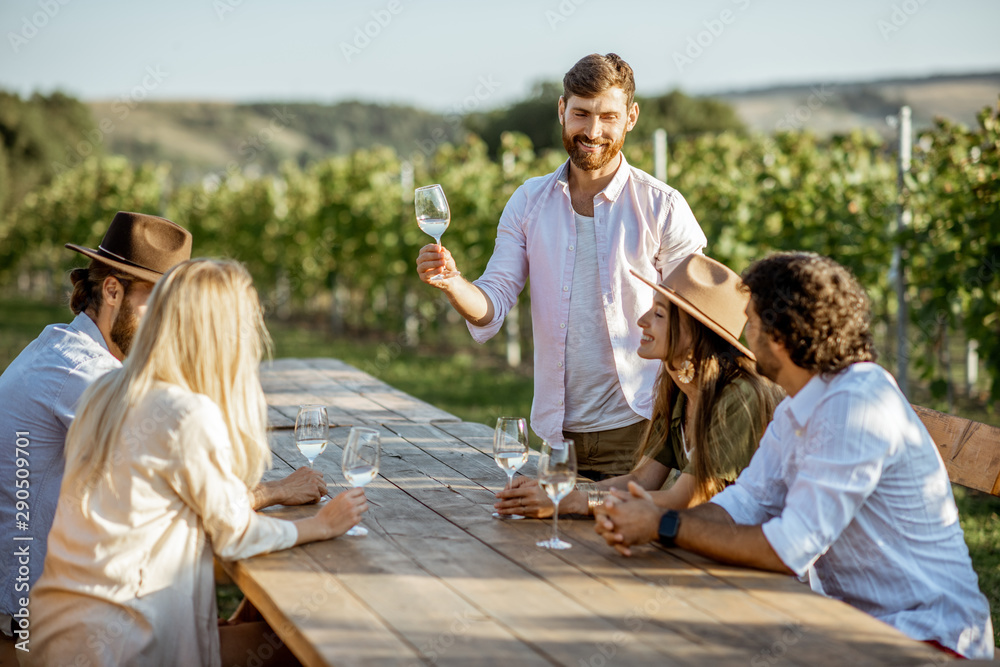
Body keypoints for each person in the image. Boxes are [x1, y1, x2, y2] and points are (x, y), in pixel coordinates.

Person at [596, 252, 994, 659]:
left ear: (781, 335)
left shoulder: (856, 407)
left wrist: (664, 524)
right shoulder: (796, 408)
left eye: (751, 322)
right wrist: (652, 520)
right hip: (853, 626)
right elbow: (744, 503)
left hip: (926, 637)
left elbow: (789, 549)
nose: (743, 334)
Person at [23, 259, 368, 667]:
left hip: (56, 629)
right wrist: (321, 525)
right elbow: (234, 536)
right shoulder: (185, 412)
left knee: (266, 627)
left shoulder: (107, 389)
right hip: (124, 644)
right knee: (303, 647)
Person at [0, 212, 325, 640]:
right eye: (157, 304)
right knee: (287, 642)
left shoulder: (63, 345)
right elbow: (205, 511)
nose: (168, 324)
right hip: (36, 624)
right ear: (112, 289)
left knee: (265, 625)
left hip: (50, 601)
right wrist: (277, 491)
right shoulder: (89, 376)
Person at [416, 53, 707, 479]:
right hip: (557, 440)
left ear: (631, 117)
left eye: (608, 116)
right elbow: (492, 304)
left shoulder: (662, 207)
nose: (593, 131)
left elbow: (698, 317)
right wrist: (454, 282)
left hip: (644, 431)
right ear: (561, 111)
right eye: (581, 114)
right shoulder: (529, 202)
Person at [494, 254, 782, 518]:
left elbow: (686, 499)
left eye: (658, 314)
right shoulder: (680, 390)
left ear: (693, 333)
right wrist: (564, 493)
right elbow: (641, 480)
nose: (642, 321)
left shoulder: (739, 397)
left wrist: (579, 504)